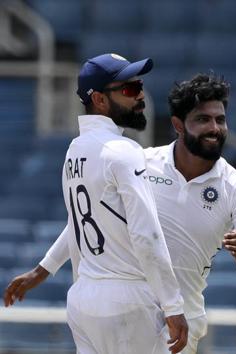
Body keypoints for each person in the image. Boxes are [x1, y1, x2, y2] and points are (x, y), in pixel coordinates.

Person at [4, 72, 236, 353]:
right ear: (178, 125)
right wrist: (43, 269)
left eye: (220, 119)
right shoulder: (142, 162)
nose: (215, 128)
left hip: (179, 324)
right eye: (203, 119)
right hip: (132, 307)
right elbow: (91, 215)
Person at [4, 53, 189, 353]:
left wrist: (42, 270)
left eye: (139, 85)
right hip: (128, 300)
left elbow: (81, 221)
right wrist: (173, 305)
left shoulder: (74, 151)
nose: (140, 95)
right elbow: (147, 235)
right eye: (129, 89)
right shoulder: (124, 150)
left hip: (84, 301)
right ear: (100, 100)